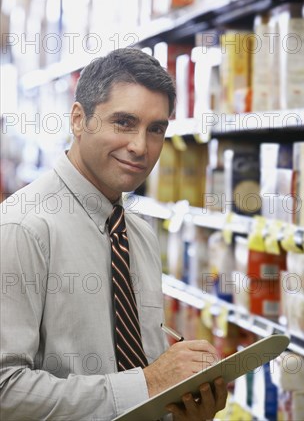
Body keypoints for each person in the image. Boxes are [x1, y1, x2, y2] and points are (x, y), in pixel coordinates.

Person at [0, 48, 228, 421]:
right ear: (78, 119)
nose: (141, 146)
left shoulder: (136, 233)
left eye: (156, 129)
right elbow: (5, 389)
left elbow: (144, 370)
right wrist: (148, 384)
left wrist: (178, 406)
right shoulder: (21, 229)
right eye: (124, 122)